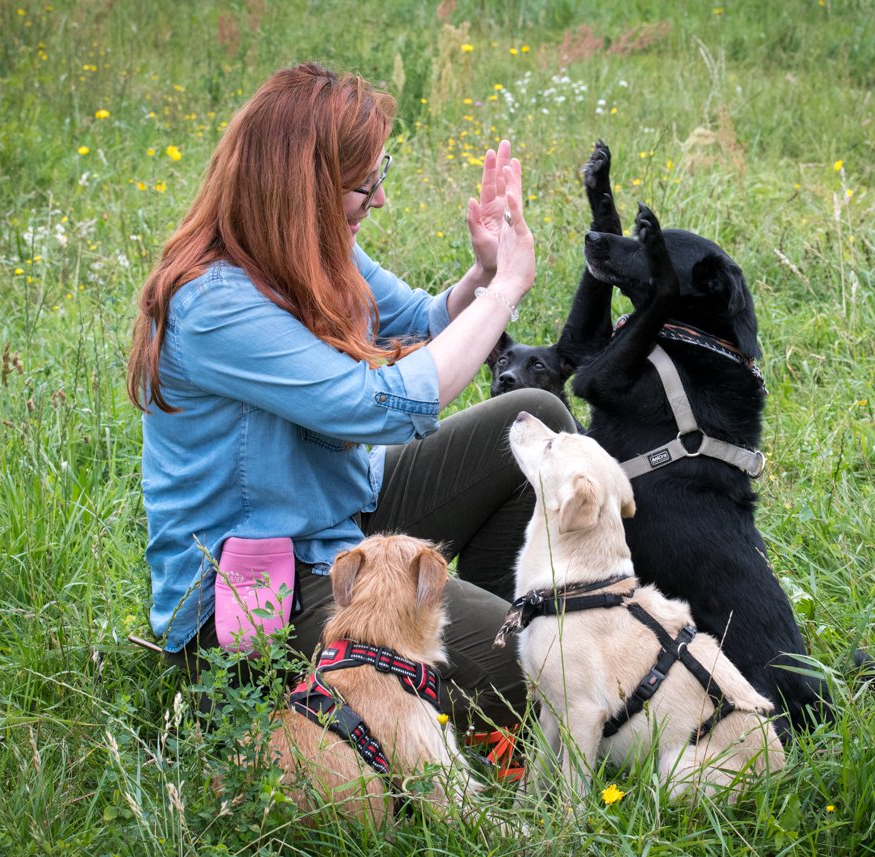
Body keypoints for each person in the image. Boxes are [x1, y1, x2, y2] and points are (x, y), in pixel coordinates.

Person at [126, 62, 575, 726]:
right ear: (304, 190)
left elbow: (423, 320)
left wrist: (481, 272)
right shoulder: (215, 304)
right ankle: (479, 680)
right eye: (364, 184)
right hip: (254, 601)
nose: (379, 199)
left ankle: (472, 633)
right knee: (542, 662)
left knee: (533, 426)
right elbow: (382, 405)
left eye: (378, 174)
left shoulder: (308, 246)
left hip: (337, 519)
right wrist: (505, 290)